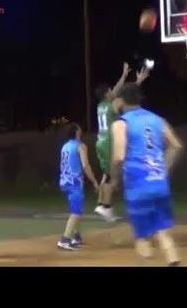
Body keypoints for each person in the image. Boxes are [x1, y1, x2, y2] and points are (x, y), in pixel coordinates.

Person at [110, 83, 183, 266]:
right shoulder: (158, 120)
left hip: (137, 185)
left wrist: (114, 179)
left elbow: (119, 156)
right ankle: (174, 261)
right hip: (159, 183)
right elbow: (176, 145)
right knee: (163, 231)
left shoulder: (121, 123)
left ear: (121, 101)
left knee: (142, 237)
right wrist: (163, 169)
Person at [94, 63, 150, 222]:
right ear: (107, 94)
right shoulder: (112, 104)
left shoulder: (101, 106)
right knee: (117, 177)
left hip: (101, 142)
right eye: (111, 90)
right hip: (110, 143)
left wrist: (124, 75)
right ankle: (106, 206)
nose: (114, 91)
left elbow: (118, 92)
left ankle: (102, 204)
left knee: (107, 175)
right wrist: (138, 81)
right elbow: (126, 96)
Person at [58, 122, 99, 250]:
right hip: (74, 182)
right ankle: (65, 239)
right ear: (76, 131)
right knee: (76, 212)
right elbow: (85, 165)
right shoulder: (80, 146)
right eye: (79, 128)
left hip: (64, 180)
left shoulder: (65, 146)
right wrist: (94, 181)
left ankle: (76, 237)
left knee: (74, 209)